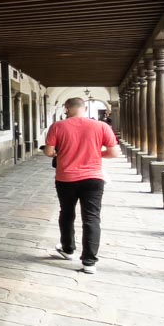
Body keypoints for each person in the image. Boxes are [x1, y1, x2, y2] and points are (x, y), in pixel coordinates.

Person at [43, 96, 120, 274]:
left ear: (67, 108)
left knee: (67, 213)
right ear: (84, 109)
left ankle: (68, 249)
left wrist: (61, 153)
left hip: (66, 178)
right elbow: (114, 152)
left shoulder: (58, 126)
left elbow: (48, 152)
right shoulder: (102, 126)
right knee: (92, 217)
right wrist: (94, 155)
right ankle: (89, 262)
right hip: (93, 178)